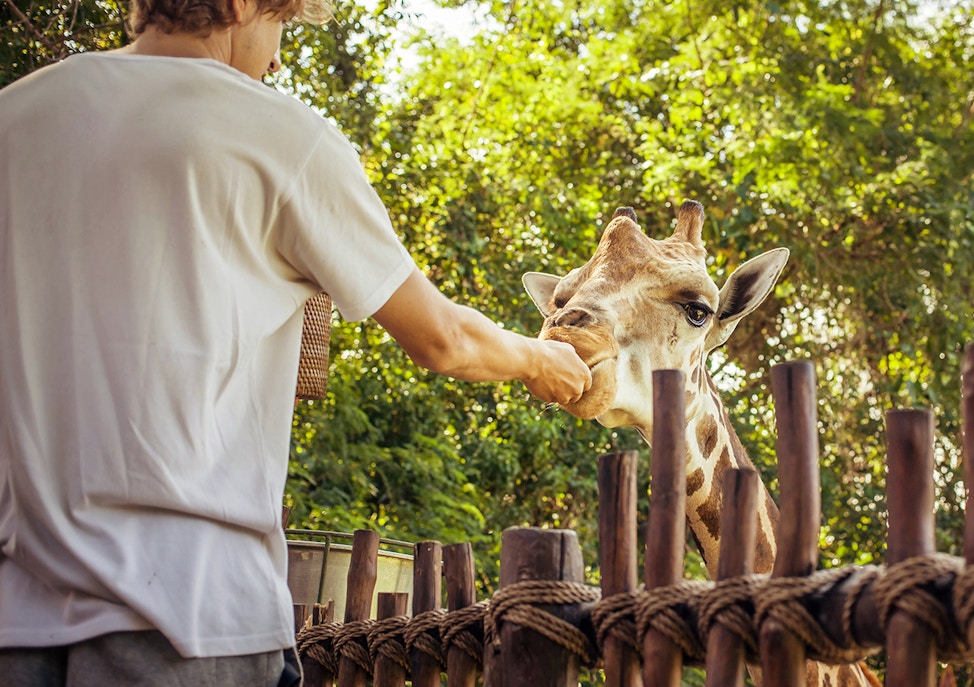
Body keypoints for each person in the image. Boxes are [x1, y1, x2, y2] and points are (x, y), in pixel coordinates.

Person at [0, 0, 593, 683]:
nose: (279, 56)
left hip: (15, 618)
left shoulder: (16, 116)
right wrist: (536, 358)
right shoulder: (276, 134)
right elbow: (443, 337)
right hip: (191, 621)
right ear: (244, 4)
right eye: (282, 23)